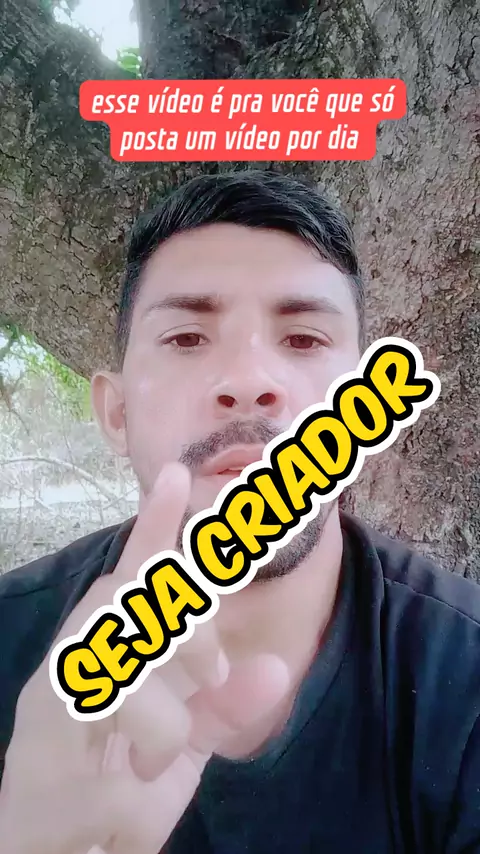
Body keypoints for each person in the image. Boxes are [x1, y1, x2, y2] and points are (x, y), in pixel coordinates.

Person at [0, 169, 479, 854]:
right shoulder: (10, 639)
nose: (250, 382)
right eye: (186, 338)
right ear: (116, 413)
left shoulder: (464, 679)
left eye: (305, 339)